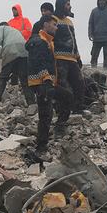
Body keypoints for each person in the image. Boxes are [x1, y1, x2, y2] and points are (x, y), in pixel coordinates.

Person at [26, 16, 72, 154]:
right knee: (46, 114)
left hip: (48, 82)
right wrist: (46, 79)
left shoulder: (47, 41)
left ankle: (58, 128)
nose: (56, 27)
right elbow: (38, 62)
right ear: (45, 25)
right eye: (54, 24)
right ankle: (41, 147)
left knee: (67, 97)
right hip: (42, 83)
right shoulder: (39, 42)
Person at [52, 0, 85, 112]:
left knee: (79, 83)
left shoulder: (69, 22)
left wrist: (78, 57)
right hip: (59, 58)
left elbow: (74, 40)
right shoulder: (53, 20)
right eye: (67, 4)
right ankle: (62, 109)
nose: (69, 6)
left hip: (72, 59)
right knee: (62, 85)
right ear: (61, 5)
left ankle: (78, 108)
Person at [0, 22, 32, 104]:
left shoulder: (0, 28)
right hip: (24, 50)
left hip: (11, 49)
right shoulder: (16, 31)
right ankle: (31, 102)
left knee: (3, 76)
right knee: (24, 78)